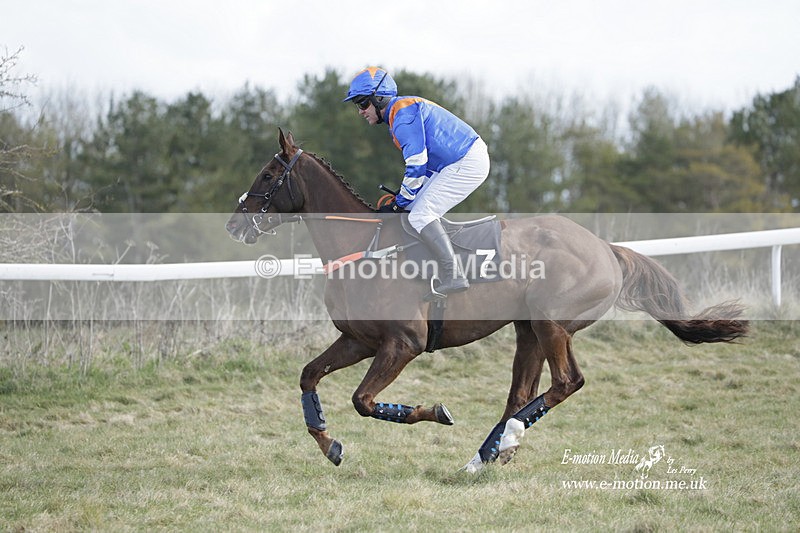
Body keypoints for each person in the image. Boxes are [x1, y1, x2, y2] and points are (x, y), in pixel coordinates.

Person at [344, 66, 490, 295]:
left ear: (379, 98)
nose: (361, 111)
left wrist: (399, 201)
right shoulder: (399, 113)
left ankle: (454, 275)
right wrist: (402, 202)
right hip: (449, 163)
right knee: (411, 210)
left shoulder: (402, 116)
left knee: (421, 214)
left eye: (363, 104)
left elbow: (417, 164)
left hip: (467, 160)